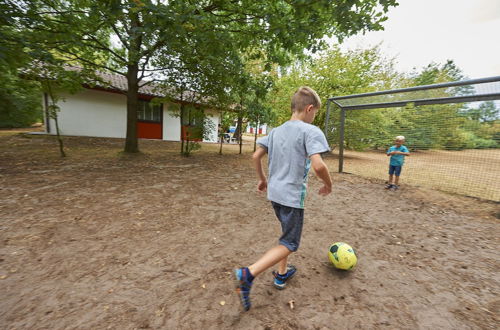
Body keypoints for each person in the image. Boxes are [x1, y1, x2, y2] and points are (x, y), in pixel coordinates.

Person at [233, 86, 333, 311]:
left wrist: (262, 179)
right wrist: (328, 184)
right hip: (290, 197)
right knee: (290, 242)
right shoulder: (311, 131)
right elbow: (318, 165)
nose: (313, 116)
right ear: (309, 109)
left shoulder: (275, 131)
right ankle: (248, 274)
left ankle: (281, 274)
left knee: (285, 235)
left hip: (275, 195)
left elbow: (256, 155)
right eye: (314, 112)